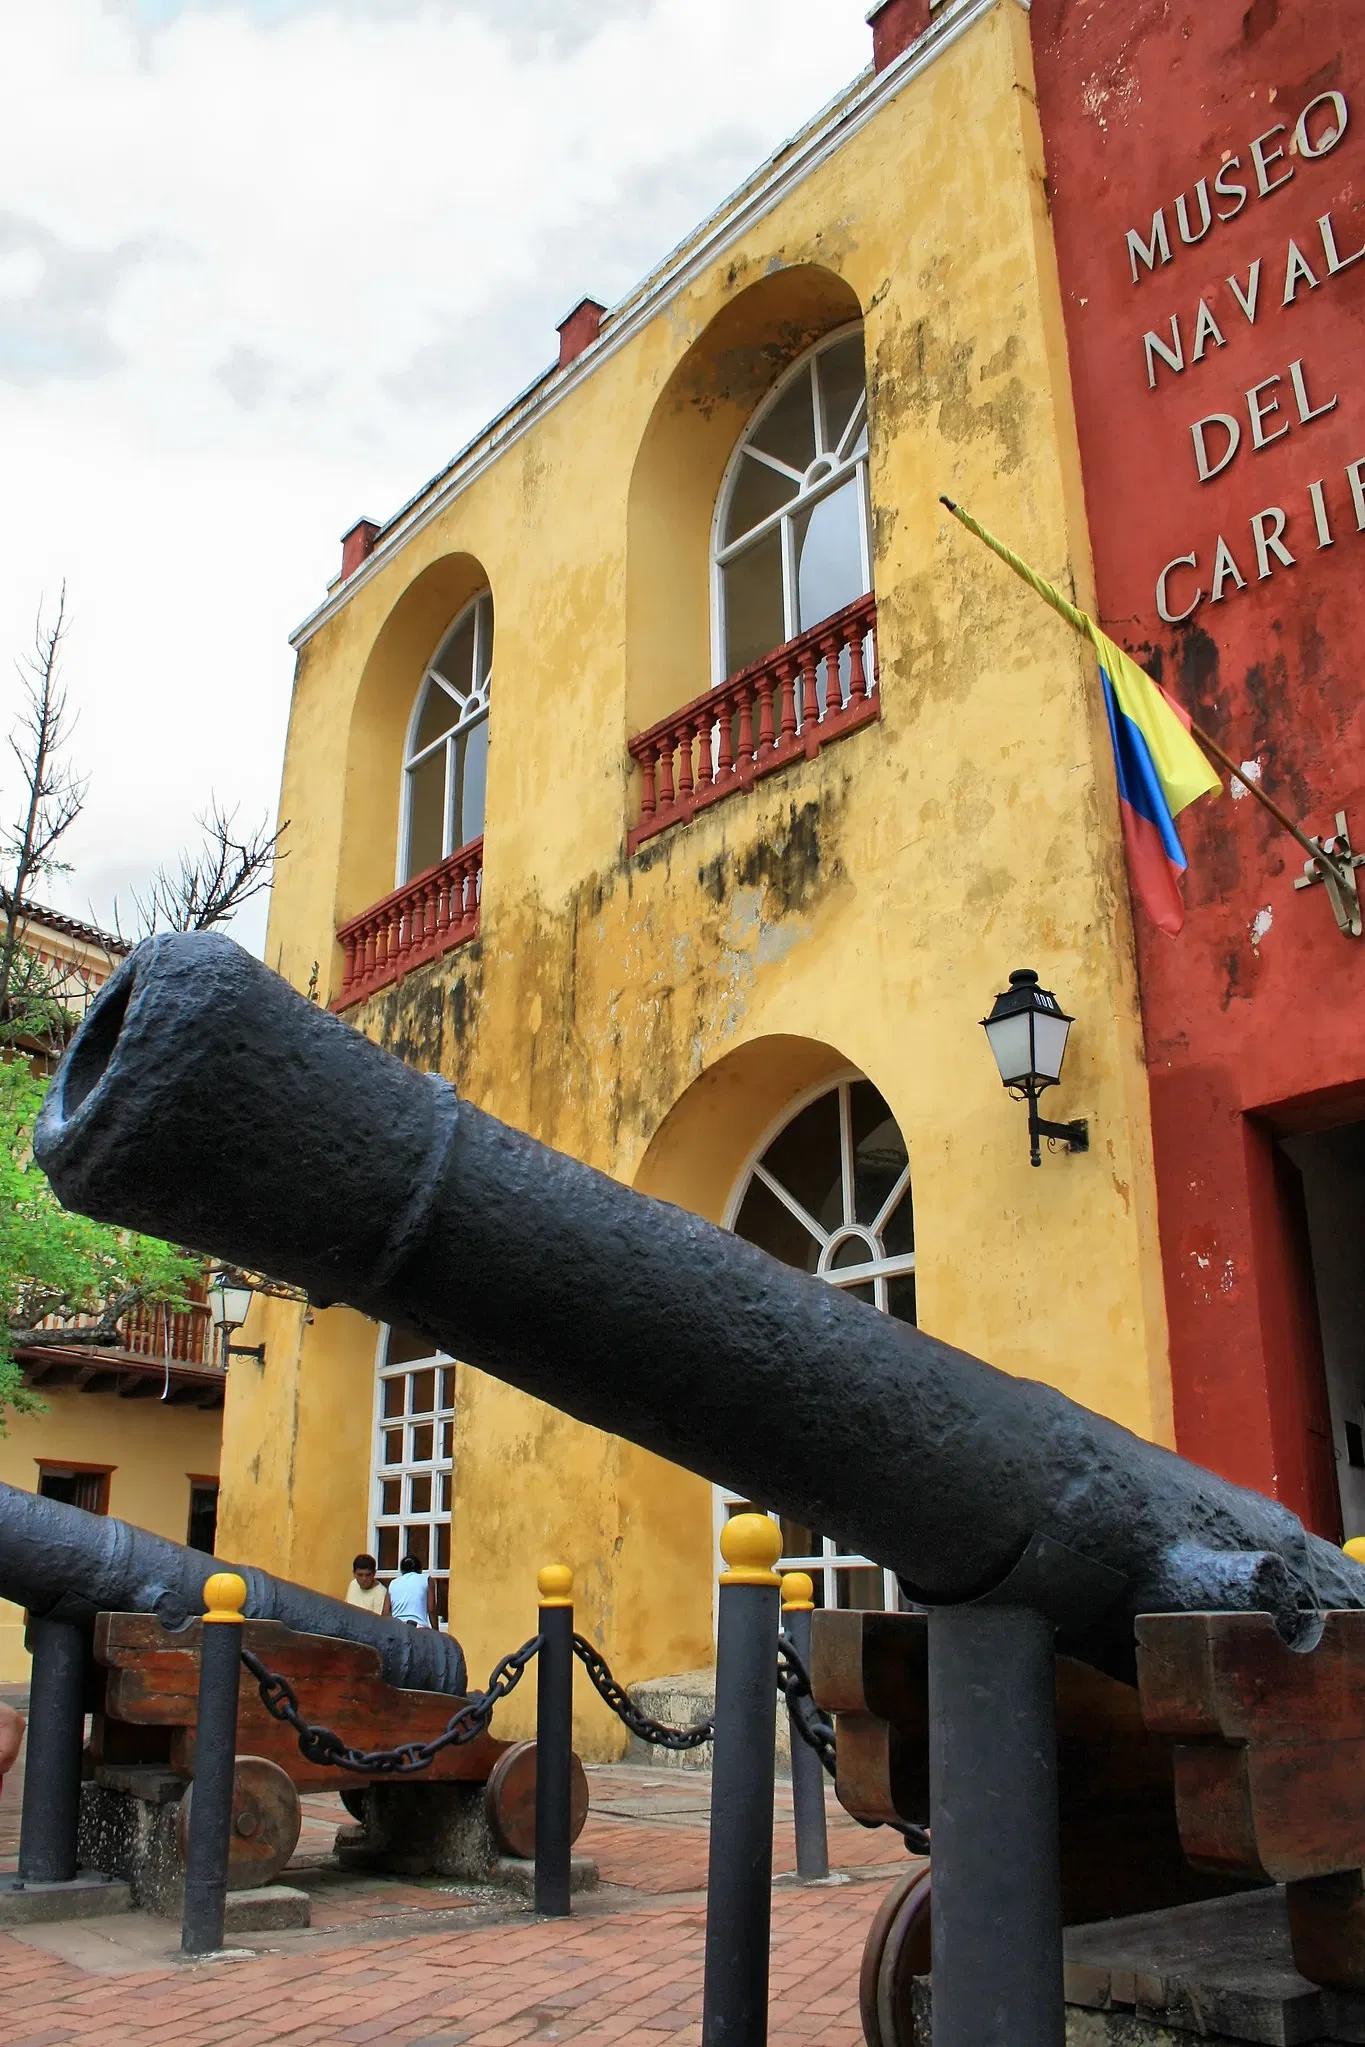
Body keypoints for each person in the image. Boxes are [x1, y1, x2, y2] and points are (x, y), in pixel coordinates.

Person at [388, 1553, 438, 1628]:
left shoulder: (393, 1583)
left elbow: (385, 1612)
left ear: (402, 1570)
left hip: (397, 1628)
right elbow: (431, 1609)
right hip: (418, 1628)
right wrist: (436, 1630)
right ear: (420, 1569)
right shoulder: (427, 1579)